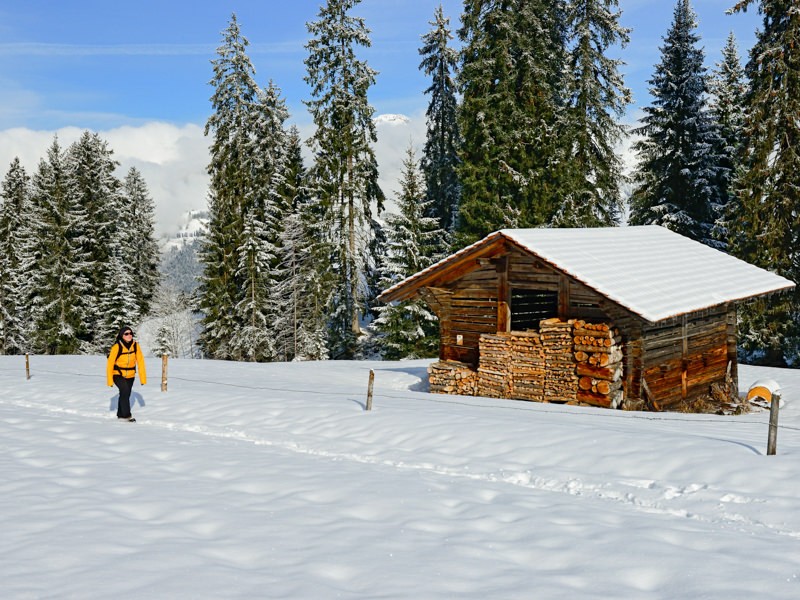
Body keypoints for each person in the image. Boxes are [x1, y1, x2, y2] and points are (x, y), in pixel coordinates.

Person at [106, 326, 147, 422]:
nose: (129, 335)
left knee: (126, 394)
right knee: (124, 390)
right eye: (126, 334)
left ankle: (120, 414)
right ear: (122, 335)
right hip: (117, 374)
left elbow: (140, 361)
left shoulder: (136, 346)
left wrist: (143, 378)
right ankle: (127, 415)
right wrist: (109, 380)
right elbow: (110, 364)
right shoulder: (117, 347)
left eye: (131, 333)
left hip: (131, 375)